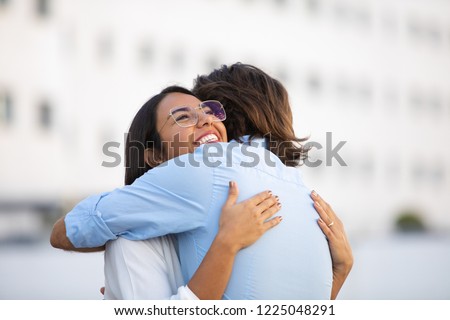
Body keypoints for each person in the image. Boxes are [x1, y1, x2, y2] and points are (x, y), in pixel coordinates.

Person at [51, 63, 353, 299]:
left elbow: (67, 232)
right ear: (153, 154)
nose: (206, 119)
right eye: (183, 117)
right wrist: (340, 271)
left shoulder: (208, 171)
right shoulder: (298, 186)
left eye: (210, 110)